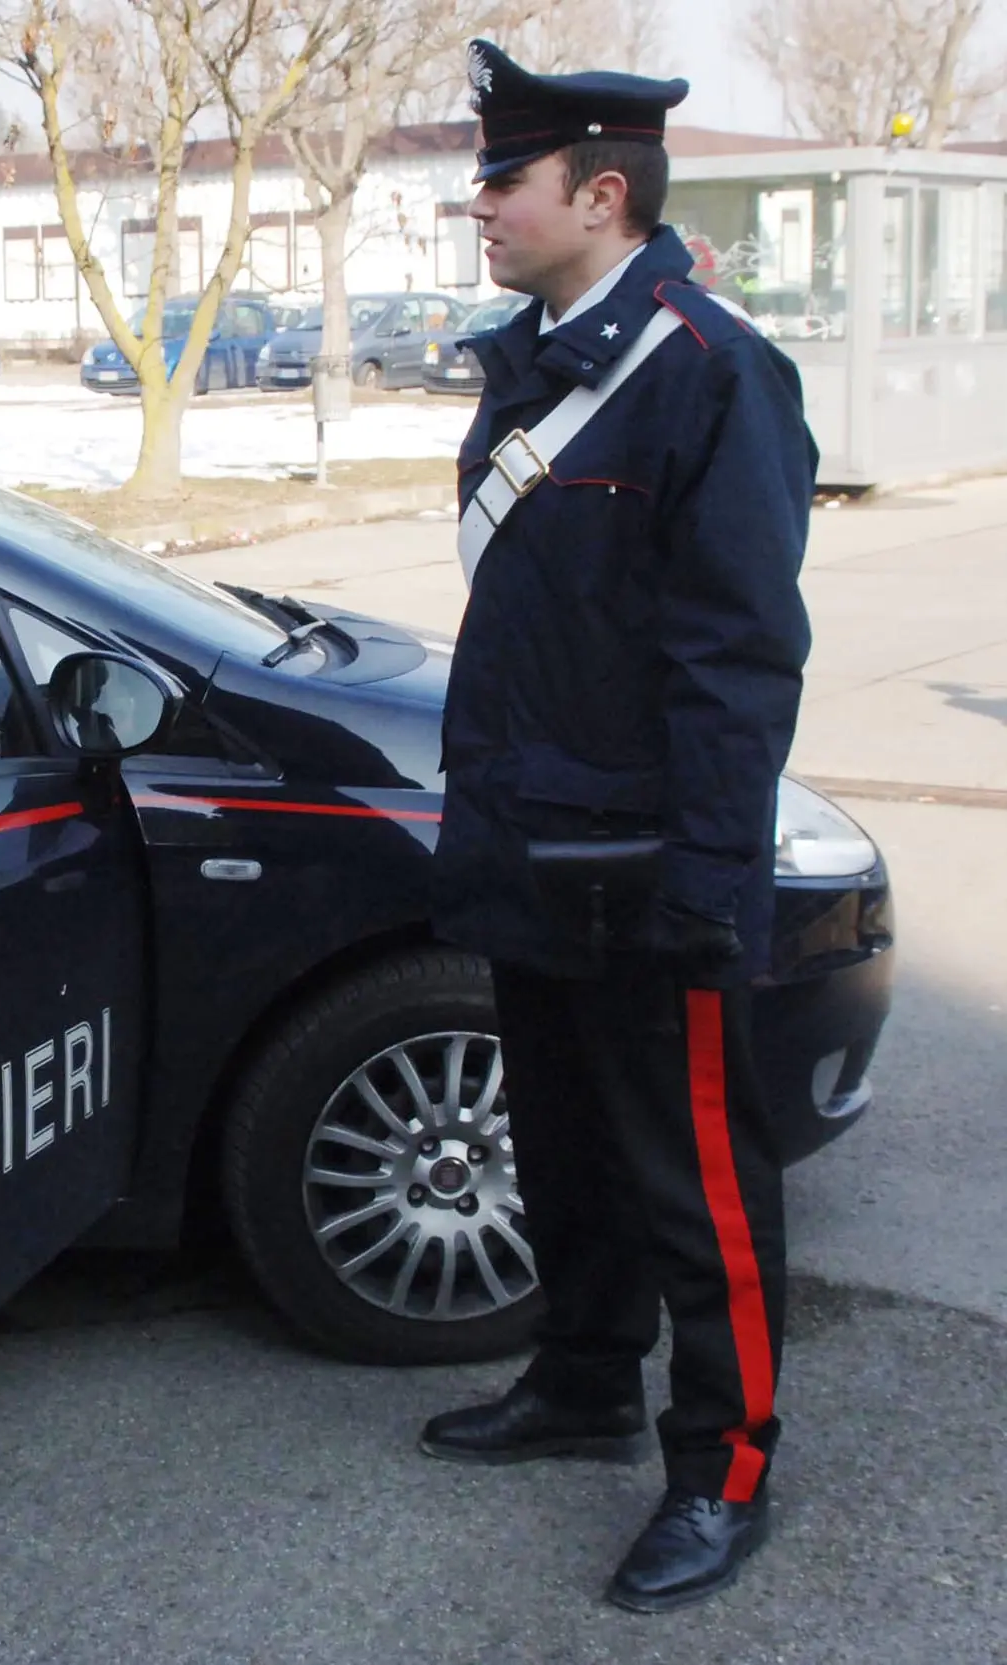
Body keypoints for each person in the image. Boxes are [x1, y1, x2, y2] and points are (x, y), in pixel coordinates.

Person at [420, 41, 815, 1614]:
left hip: (650, 859)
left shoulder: (707, 368)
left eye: (500, 182)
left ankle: (722, 1468)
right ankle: (581, 1378)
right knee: (566, 1147)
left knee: (694, 1179)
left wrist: (710, 878)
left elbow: (736, 656)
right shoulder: (536, 354)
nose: (477, 208)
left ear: (598, 192)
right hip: (532, 835)